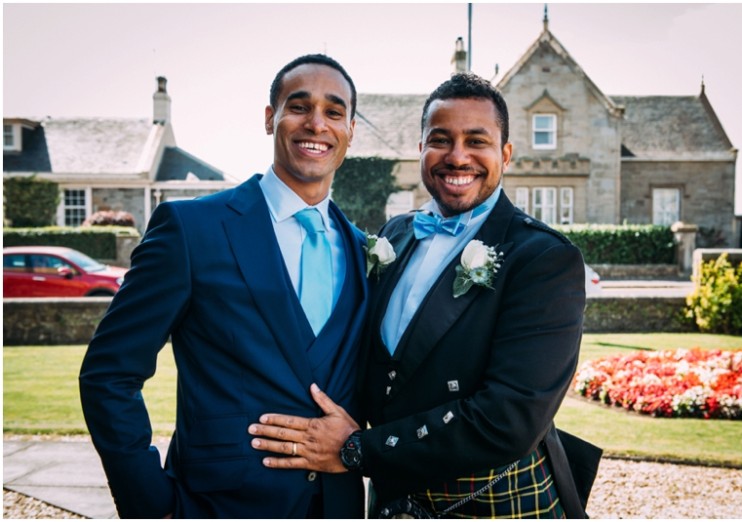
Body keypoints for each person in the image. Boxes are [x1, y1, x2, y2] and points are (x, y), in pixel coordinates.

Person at [249, 72, 601, 518]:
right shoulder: (396, 234)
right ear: (421, 149)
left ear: (505, 154)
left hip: (490, 501)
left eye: (477, 141)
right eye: (441, 139)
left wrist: (358, 449)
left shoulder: (543, 258)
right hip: (393, 499)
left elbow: (508, 418)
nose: (457, 157)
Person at [79, 54, 368, 519]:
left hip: (336, 505)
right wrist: (151, 504)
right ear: (270, 118)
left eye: (334, 112)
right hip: (214, 504)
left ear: (350, 129)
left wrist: (362, 446)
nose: (317, 124)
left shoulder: (360, 249)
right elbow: (108, 374)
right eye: (299, 107)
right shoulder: (192, 230)